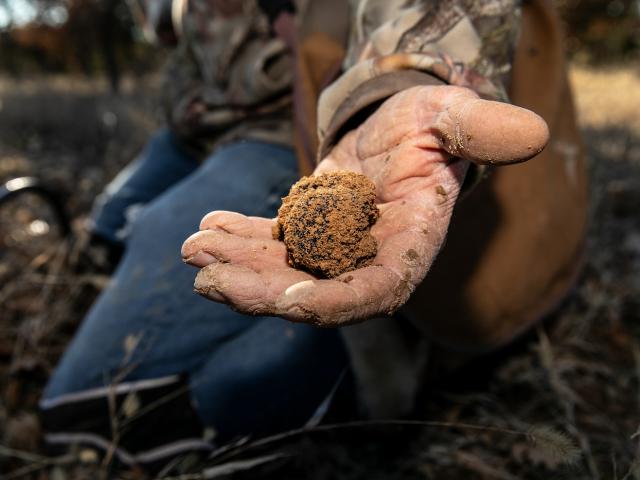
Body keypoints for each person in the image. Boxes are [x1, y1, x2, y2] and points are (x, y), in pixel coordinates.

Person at [40, 0, 587, 468]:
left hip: (301, 123)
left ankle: (363, 371)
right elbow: (169, 25)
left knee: (81, 414)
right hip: (198, 123)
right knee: (106, 229)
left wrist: (400, 78)